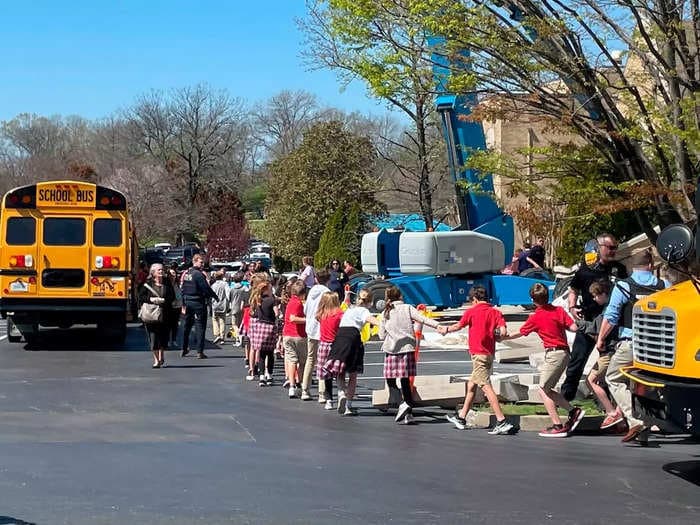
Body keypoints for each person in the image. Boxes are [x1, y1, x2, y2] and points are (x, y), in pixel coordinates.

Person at [597, 250, 667, 443]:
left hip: (632, 343)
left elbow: (611, 316)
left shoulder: (624, 286)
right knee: (645, 383)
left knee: (613, 377)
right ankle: (645, 430)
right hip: (658, 346)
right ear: (651, 266)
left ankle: (635, 420)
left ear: (632, 267)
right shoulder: (664, 286)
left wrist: (601, 338)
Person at [505, 283, 581, 437]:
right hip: (564, 352)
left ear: (533, 300)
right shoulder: (558, 311)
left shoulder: (536, 317)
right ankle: (573, 412)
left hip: (554, 353)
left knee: (543, 389)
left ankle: (558, 424)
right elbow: (574, 328)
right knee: (548, 387)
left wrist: (502, 337)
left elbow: (520, 333)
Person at [561, 233, 628, 401]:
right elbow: (573, 289)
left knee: (607, 364)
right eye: (610, 248)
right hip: (588, 322)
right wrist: (572, 306)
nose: (613, 251)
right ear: (599, 247)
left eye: (615, 248)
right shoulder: (586, 269)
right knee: (577, 360)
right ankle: (566, 398)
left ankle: (605, 401)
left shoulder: (618, 269)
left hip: (609, 325)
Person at [443, 285, 514, 435]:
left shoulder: (471, 312)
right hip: (488, 354)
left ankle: (501, 421)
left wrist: (446, 329)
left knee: (486, 387)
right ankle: (461, 417)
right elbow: (503, 331)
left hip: (478, 355)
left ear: (474, 299)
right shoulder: (495, 312)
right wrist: (496, 335)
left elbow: (458, 326)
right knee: (471, 385)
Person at [378, 286, 441, 425]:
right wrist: (438, 326)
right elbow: (422, 319)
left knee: (390, 379)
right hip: (407, 348)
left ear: (387, 298)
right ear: (400, 296)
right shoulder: (407, 308)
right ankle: (408, 412)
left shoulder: (385, 313)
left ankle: (402, 404)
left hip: (391, 349)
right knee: (405, 381)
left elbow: (381, 335)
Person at [323, 288, 381, 416]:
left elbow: (345, 308)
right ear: (370, 302)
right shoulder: (364, 310)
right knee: (353, 374)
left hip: (340, 336)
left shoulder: (349, 310)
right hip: (353, 337)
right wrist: (383, 324)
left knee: (340, 371)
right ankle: (348, 405)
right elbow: (373, 321)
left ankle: (341, 392)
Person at [583, 280, 623, 430]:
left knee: (591, 380)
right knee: (616, 383)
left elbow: (598, 330)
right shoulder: (615, 309)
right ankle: (621, 421)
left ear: (604, 294)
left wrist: (581, 325)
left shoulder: (607, 313)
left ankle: (611, 412)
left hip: (608, 352)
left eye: (596, 295)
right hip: (615, 351)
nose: (594, 299)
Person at [301, 268, 331, 401]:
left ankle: (305, 389)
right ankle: (322, 393)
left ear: (316, 279)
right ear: (328, 280)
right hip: (323, 329)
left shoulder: (311, 291)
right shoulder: (327, 293)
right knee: (323, 361)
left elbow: (306, 310)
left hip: (311, 329)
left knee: (310, 359)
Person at [180, 254, 217, 359]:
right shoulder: (198, 274)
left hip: (187, 302)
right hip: (198, 303)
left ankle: (184, 348)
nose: (202, 264)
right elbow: (206, 288)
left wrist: (183, 303)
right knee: (200, 326)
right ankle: (199, 351)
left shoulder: (187, 273)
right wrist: (215, 296)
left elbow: (183, 289)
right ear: (194, 261)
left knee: (187, 326)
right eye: (201, 262)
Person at [139, 263, 174, 368]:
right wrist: (151, 300)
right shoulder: (147, 283)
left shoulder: (167, 283)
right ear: (153, 272)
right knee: (153, 337)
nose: (161, 271)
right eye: (159, 270)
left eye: (162, 269)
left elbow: (172, 297)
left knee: (163, 337)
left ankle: (161, 355)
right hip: (152, 315)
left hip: (165, 315)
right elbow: (141, 297)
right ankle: (156, 360)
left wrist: (164, 300)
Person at [316, 292, 344, 410]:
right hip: (336, 345)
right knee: (339, 371)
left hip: (323, 345)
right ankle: (341, 392)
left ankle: (329, 400)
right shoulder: (339, 314)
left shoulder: (321, 314)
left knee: (326, 374)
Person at [249, 280, 279, 386]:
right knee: (270, 353)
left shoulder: (258, 299)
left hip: (260, 326)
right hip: (270, 326)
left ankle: (261, 377)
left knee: (261, 353)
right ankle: (269, 375)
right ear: (267, 290)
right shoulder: (272, 300)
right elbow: (277, 313)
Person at [282, 281, 307, 398]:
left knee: (292, 360)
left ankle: (292, 386)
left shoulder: (291, 302)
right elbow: (293, 318)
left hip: (287, 334)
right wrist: (307, 320)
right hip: (298, 335)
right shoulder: (297, 303)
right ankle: (300, 384)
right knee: (302, 362)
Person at [228, 271, 249, 342]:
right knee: (240, 323)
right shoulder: (245, 288)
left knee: (234, 324)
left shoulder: (232, 288)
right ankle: (240, 335)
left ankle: (238, 336)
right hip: (243, 307)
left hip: (234, 307)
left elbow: (229, 298)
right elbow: (247, 296)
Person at [210, 270, 229, 344]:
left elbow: (211, 295)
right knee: (222, 321)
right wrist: (228, 302)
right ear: (222, 277)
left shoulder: (213, 285)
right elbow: (228, 293)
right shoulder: (225, 284)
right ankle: (222, 337)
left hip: (215, 304)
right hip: (223, 304)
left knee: (215, 319)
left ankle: (217, 334)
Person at [168, 263, 182, 349]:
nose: (173, 275)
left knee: (175, 324)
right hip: (169, 306)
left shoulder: (177, 283)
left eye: (174, 274)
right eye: (171, 274)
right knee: (168, 324)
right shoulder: (166, 285)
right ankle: (168, 340)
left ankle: (173, 339)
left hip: (177, 306)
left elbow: (179, 294)